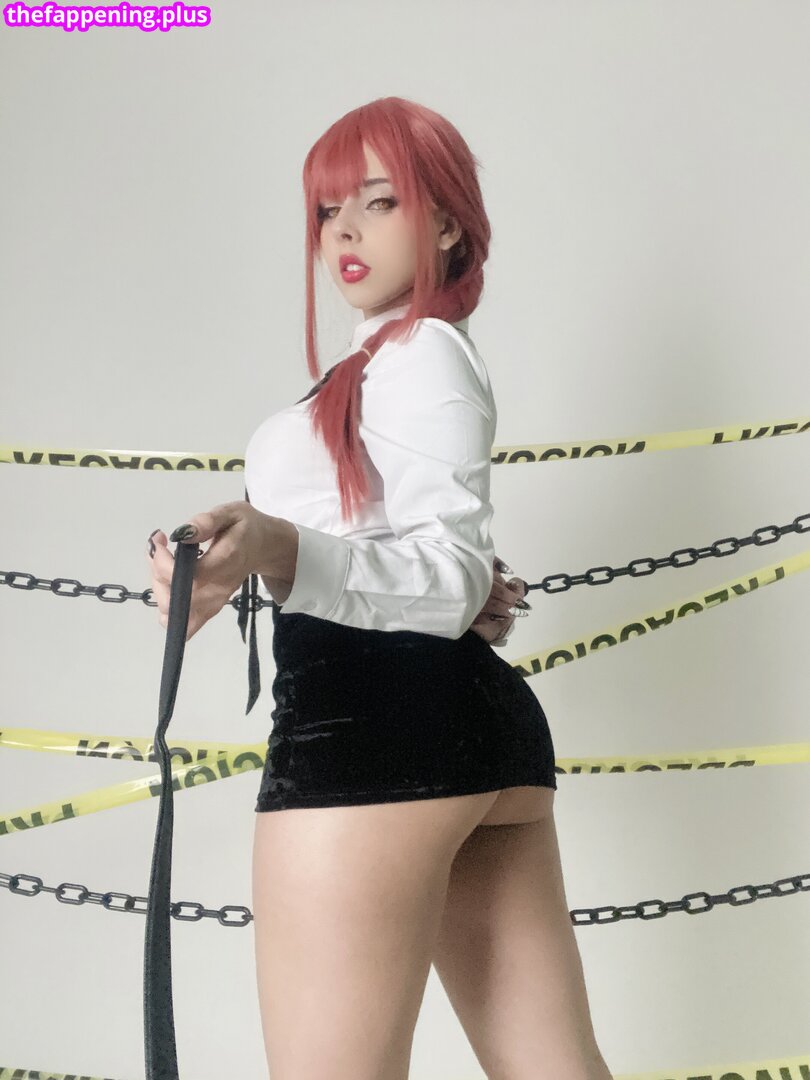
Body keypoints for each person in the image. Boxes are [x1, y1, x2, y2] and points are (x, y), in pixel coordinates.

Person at [147, 97, 611, 1080]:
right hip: (457, 733)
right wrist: (229, 552)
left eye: (379, 201)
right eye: (327, 211)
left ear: (445, 222)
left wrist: (280, 547)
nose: (344, 231)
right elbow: (402, 550)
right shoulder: (377, 364)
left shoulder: (423, 354)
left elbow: (447, 577)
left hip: (368, 732)